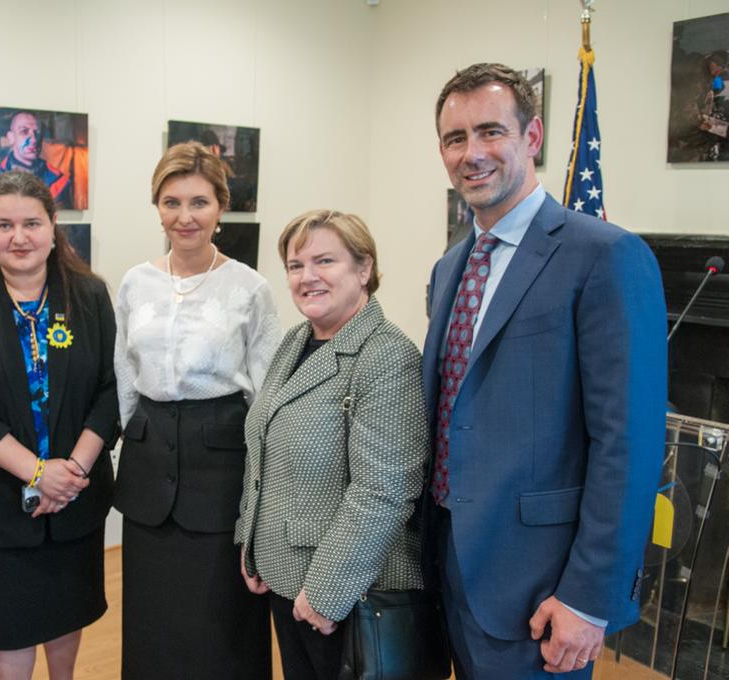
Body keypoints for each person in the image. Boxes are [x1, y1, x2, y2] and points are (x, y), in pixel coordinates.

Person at [424, 63, 667, 678]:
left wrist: (591, 596)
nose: (471, 154)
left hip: (540, 588)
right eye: (455, 139)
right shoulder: (449, 267)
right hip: (445, 564)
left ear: (531, 138)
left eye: (490, 132)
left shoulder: (606, 256)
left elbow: (629, 443)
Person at [0, 171, 118, 680]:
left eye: (32, 223)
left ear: (54, 225)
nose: (19, 237)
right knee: (9, 624)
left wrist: (72, 472)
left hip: (76, 496)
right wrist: (39, 473)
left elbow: (112, 390)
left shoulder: (89, 296)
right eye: (4, 224)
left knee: (66, 612)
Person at [236, 209, 430, 680]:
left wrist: (325, 592)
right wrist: (251, 542)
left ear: (364, 269)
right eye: (296, 265)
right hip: (284, 576)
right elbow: (262, 444)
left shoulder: (387, 356)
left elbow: (383, 492)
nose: (308, 277)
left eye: (325, 261)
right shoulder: (297, 338)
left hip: (346, 595)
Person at [113, 141, 280, 680]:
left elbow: (267, 388)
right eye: (171, 202)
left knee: (221, 617)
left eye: (199, 202)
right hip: (149, 460)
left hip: (222, 462)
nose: (185, 217)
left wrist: (264, 482)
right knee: (151, 618)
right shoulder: (136, 283)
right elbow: (123, 377)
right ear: (157, 207)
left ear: (220, 208)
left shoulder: (249, 288)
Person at [0, 110, 72, 209]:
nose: (34, 139)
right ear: (11, 137)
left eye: (37, 132)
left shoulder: (59, 182)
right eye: (24, 131)